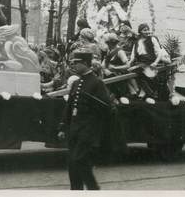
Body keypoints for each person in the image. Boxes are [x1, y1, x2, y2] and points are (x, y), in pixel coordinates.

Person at [58, 52, 111, 190]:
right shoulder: (76, 82)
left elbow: (105, 107)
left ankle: (93, 190)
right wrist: (63, 127)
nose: (73, 65)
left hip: (88, 131)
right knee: (72, 163)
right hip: (74, 130)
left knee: (79, 160)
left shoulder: (97, 83)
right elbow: (69, 107)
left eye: (77, 62)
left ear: (86, 64)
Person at [129, 23, 170, 102]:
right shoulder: (136, 42)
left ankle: (150, 94)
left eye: (148, 30)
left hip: (150, 62)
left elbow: (159, 52)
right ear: (140, 31)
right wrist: (130, 62)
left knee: (143, 72)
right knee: (133, 71)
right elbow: (133, 55)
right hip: (140, 63)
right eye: (145, 30)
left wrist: (155, 62)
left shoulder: (152, 39)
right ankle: (147, 93)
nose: (147, 32)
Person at [102, 33, 138, 98]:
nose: (107, 44)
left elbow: (128, 66)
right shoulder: (109, 50)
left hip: (119, 73)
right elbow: (105, 62)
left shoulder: (120, 52)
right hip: (110, 73)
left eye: (108, 43)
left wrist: (115, 68)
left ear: (112, 43)